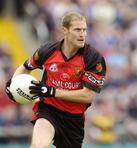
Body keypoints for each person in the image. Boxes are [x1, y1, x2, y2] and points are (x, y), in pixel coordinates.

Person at [5, 12, 106, 148]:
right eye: (77, 29)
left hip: (73, 119)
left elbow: (87, 96)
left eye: (84, 30)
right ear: (65, 30)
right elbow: (25, 67)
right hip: (48, 110)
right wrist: (14, 84)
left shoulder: (93, 58)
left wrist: (51, 91)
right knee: (38, 146)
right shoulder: (47, 51)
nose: (82, 34)